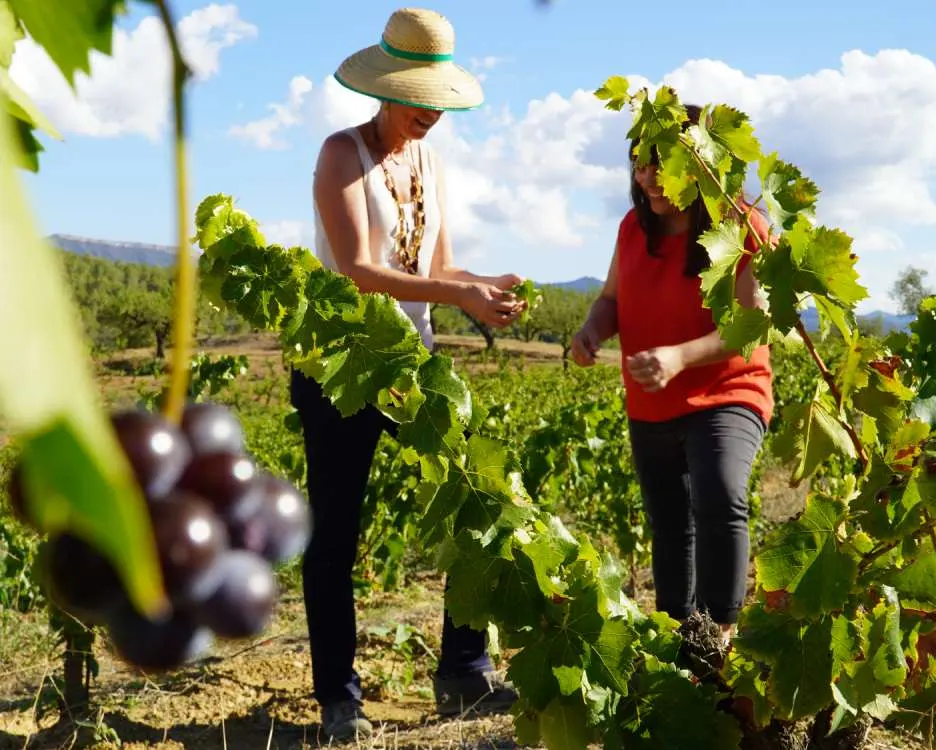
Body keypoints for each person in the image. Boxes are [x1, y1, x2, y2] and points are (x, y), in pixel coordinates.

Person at [292, 8, 524, 741]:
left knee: (473, 502)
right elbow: (362, 272)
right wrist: (455, 294)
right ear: (385, 88)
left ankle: (463, 668)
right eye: (417, 99)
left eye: (438, 103)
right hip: (343, 368)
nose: (430, 115)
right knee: (336, 533)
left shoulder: (428, 162)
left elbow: (439, 265)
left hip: (413, 367)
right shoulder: (342, 155)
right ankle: (340, 698)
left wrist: (482, 286)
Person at [570, 104, 773, 645]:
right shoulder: (633, 229)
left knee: (720, 493)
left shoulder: (742, 222)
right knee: (669, 524)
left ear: (701, 162)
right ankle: (677, 638)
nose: (646, 176)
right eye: (639, 163)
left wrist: (680, 357)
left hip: (729, 391)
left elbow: (752, 327)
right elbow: (611, 299)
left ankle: (720, 636)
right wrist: (591, 331)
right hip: (651, 401)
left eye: (661, 163)